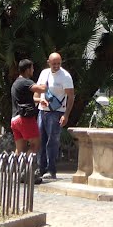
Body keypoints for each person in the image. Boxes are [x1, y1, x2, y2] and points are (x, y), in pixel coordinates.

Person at [34, 52, 74, 180]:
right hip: (42, 111)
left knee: (52, 142)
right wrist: (39, 100)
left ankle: (51, 170)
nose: (56, 66)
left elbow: (71, 96)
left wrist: (66, 115)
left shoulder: (66, 76)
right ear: (48, 62)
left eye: (59, 63)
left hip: (56, 113)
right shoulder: (44, 73)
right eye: (54, 63)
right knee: (40, 141)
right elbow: (37, 90)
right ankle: (41, 168)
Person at [10, 59, 42, 184]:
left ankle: (15, 172)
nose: (33, 71)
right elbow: (41, 89)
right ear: (28, 69)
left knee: (20, 149)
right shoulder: (25, 81)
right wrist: (48, 81)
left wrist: (39, 101)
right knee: (35, 144)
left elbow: (24, 99)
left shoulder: (16, 83)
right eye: (32, 68)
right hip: (25, 119)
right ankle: (28, 172)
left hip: (14, 119)